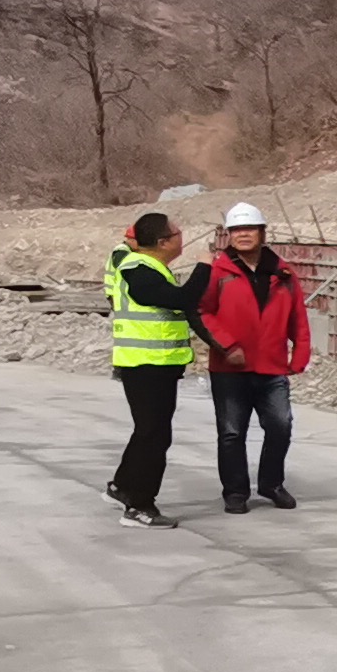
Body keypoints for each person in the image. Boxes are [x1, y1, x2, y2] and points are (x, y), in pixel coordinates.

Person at [197, 204, 310, 513]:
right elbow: (203, 312)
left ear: (262, 232)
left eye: (249, 229)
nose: (243, 234)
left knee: (280, 426)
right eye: (236, 230)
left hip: (272, 366)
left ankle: (271, 484)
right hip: (229, 368)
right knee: (232, 432)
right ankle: (235, 492)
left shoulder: (283, 273)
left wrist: (300, 354)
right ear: (228, 235)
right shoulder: (217, 272)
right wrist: (227, 346)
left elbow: (298, 317)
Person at [106, 212, 196, 527]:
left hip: (156, 364)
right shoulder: (138, 269)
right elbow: (181, 299)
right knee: (154, 435)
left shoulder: (152, 267)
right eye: (177, 233)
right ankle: (139, 507)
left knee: (149, 431)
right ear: (163, 242)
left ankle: (122, 487)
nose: (182, 237)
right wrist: (206, 268)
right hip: (145, 363)